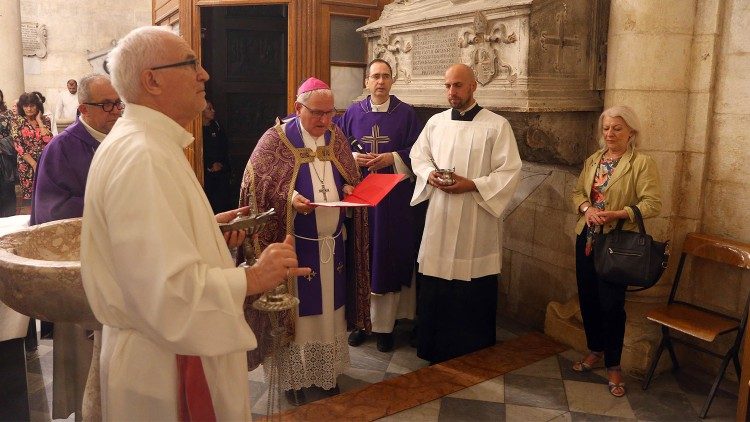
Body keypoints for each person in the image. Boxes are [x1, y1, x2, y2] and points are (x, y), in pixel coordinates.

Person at [80, 26, 309, 420]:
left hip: (166, 355)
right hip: (166, 371)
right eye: (191, 64)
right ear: (151, 80)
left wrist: (205, 226)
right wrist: (253, 278)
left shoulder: (143, 143)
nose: (204, 75)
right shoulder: (143, 155)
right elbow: (167, 292)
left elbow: (150, 253)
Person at [239, 77, 369, 406]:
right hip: (295, 246)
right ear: (298, 109)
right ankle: (292, 380)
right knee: (298, 317)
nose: (326, 121)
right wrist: (292, 198)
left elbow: (348, 174)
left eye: (331, 113)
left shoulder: (335, 136)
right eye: (318, 113)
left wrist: (351, 189)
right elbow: (258, 185)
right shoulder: (275, 140)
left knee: (330, 313)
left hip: (334, 244)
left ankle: (326, 376)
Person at [409, 64, 522, 364]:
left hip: (476, 212)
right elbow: (418, 156)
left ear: (473, 86)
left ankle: (472, 349)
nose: (451, 92)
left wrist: (473, 184)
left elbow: (510, 170)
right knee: (436, 278)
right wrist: (430, 174)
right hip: (441, 213)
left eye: (457, 85)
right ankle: (432, 346)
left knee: (473, 280)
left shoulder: (497, 125)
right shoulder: (435, 123)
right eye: (447, 86)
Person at [29, 73, 123, 419]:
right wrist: (108, 208)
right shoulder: (61, 149)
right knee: (89, 373)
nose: (116, 111)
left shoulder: (124, 140)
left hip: (123, 266)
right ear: (83, 108)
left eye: (118, 103)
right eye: (107, 105)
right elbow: (51, 215)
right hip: (82, 270)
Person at [570, 105, 661, 398]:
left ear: (631, 132)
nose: (610, 134)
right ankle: (595, 349)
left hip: (617, 244)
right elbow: (577, 194)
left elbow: (652, 204)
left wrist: (617, 214)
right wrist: (587, 209)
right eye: (607, 128)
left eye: (617, 128)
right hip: (586, 238)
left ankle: (614, 365)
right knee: (588, 299)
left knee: (611, 306)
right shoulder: (594, 160)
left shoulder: (642, 163)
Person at [338, 59, 424, 352]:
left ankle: (387, 326)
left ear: (392, 80)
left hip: (394, 200)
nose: (380, 82)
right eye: (375, 76)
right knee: (362, 255)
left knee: (388, 256)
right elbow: (336, 147)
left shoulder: (407, 114)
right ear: (366, 81)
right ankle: (363, 322)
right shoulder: (352, 112)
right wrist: (352, 155)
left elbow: (420, 151)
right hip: (362, 197)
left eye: (386, 76)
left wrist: (393, 158)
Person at [11, 92, 53, 204]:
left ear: (38, 106)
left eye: (32, 105)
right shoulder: (17, 121)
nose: (29, 109)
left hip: (44, 161)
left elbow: (48, 141)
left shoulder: (45, 120)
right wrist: (34, 164)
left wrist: (40, 122)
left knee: (46, 195)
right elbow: (18, 146)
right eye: (26, 106)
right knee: (31, 199)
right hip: (27, 163)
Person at [202, 100, 232, 212]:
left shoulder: (217, 127)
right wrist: (209, 166)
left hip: (221, 172)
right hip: (206, 175)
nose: (213, 111)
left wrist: (222, 165)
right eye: (209, 109)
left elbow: (224, 148)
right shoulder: (197, 131)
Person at [0, 90, 17, 217]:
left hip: (4, 157)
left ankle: (8, 219)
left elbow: (15, 135)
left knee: (7, 189)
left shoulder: (8, 114)